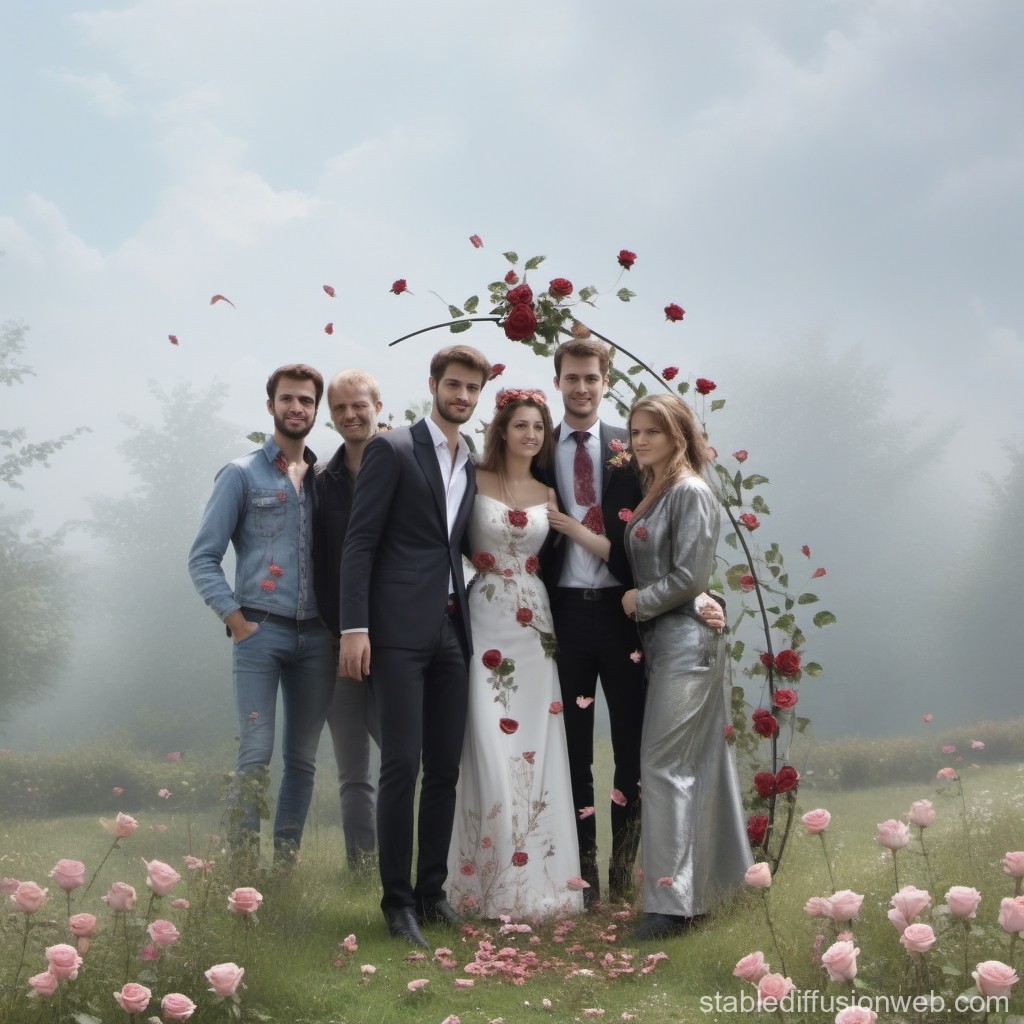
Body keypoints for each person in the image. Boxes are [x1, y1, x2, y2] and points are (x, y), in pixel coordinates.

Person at [543, 336, 725, 905]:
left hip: (629, 616)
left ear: (605, 380)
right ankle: (583, 878)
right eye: (571, 377)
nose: (581, 387)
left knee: (635, 750)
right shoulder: (534, 446)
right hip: (563, 613)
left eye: (591, 378)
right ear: (558, 382)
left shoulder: (634, 447)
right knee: (570, 749)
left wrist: (702, 594)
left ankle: (628, 874)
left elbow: (679, 540)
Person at [338, 344, 491, 948]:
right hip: (395, 634)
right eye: (453, 385)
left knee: (445, 770)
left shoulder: (470, 458)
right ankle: (396, 904)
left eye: (472, 390)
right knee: (401, 765)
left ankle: (432, 894)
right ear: (433, 385)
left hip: (451, 631)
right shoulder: (392, 448)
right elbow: (359, 543)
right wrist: (356, 628)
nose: (462, 396)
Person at [188, 364, 335, 867]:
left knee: (303, 762)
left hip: (318, 637)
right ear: (270, 404)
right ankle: (242, 872)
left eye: (307, 401)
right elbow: (203, 556)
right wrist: (234, 619)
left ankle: (285, 868)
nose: (298, 408)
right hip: (260, 631)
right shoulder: (240, 474)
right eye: (288, 399)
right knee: (254, 756)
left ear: (317, 410)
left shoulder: (325, 480)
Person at [446, 387, 584, 919]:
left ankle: (540, 883)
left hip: (536, 630)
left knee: (536, 747)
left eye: (538, 428)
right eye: (521, 425)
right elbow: (442, 543)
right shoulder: (471, 481)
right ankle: (481, 883)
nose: (530, 434)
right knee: (484, 742)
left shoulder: (550, 493)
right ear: (502, 429)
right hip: (484, 618)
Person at [621, 393, 752, 941]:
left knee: (662, 764)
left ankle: (670, 907)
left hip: (688, 646)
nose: (641, 441)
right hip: (670, 643)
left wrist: (638, 602)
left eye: (654, 431)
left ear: (679, 435)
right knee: (695, 766)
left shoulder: (691, 491)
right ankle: (714, 891)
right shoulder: (659, 490)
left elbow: (690, 578)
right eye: (636, 433)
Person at [312, 369, 384, 873]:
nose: (350, 415)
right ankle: (363, 866)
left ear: (378, 405)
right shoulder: (322, 484)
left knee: (409, 756)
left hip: (397, 641)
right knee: (352, 769)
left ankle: (427, 863)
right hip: (338, 642)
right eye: (339, 408)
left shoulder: (403, 466)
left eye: (358, 405)